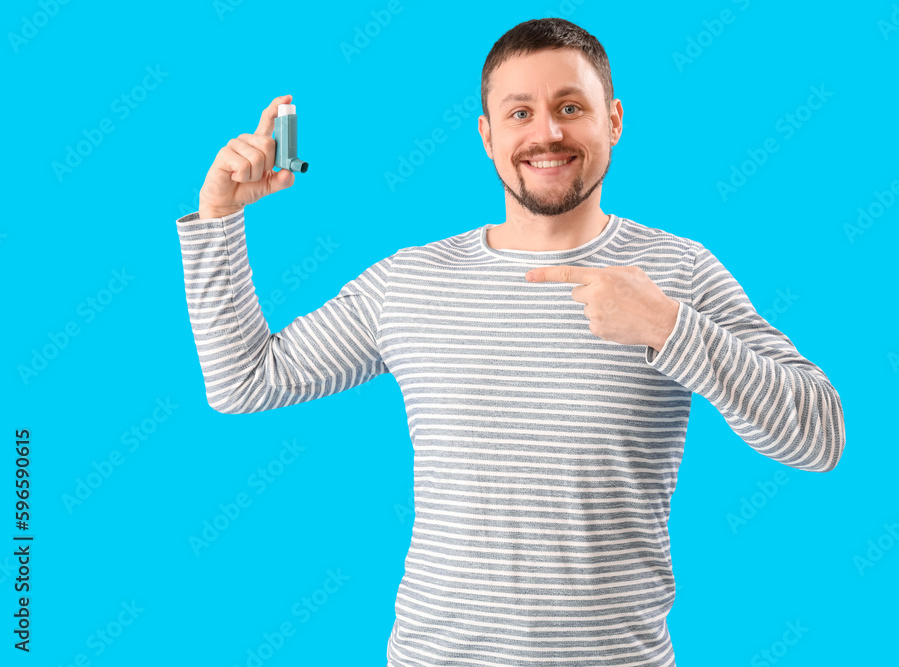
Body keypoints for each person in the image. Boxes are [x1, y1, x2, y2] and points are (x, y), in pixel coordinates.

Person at [175, 17, 845, 667]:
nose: (547, 132)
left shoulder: (678, 273)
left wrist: (670, 328)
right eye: (520, 112)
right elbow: (245, 382)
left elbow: (819, 438)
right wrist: (219, 220)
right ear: (487, 136)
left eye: (570, 106)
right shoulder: (410, 280)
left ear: (613, 120)